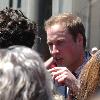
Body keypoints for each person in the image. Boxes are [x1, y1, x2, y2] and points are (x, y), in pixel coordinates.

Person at [44, 12, 91, 99]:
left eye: (60, 42)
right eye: (50, 44)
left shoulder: (97, 71)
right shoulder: (52, 79)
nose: (53, 51)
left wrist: (77, 87)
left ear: (79, 40)